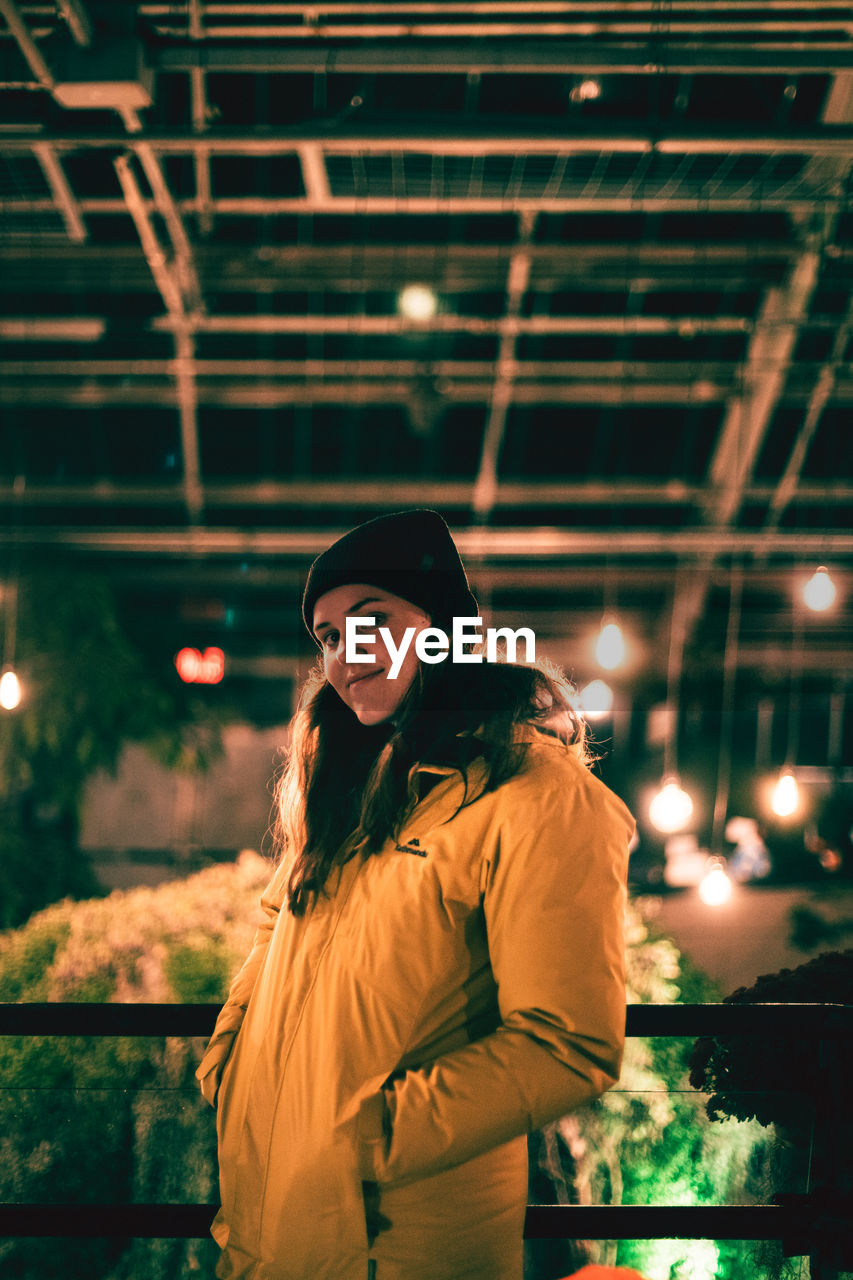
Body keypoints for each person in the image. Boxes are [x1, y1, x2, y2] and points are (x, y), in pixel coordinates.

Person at [197, 509, 634, 1280]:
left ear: (443, 632)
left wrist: (366, 1137)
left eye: (371, 622)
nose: (344, 656)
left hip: (404, 1243)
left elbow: (567, 1044)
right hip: (270, 1229)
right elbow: (279, 919)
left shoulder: (538, 796)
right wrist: (229, 1065)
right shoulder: (355, 792)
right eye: (328, 637)